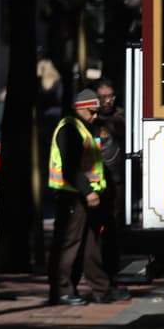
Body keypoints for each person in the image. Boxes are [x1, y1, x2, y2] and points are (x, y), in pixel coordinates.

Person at [48, 90, 130, 305]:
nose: (95, 116)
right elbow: (70, 167)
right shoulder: (69, 129)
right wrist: (87, 191)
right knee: (71, 242)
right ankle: (63, 290)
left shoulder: (84, 128)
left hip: (86, 195)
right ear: (79, 108)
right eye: (91, 112)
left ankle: (101, 289)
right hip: (73, 196)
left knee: (91, 243)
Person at [95, 78, 126, 283]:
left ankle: (111, 269)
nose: (108, 101)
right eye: (103, 97)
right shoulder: (92, 120)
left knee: (114, 225)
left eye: (110, 96)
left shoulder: (122, 116)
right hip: (97, 180)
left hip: (117, 179)